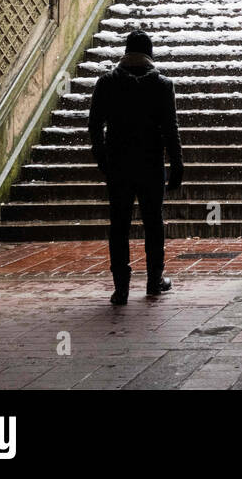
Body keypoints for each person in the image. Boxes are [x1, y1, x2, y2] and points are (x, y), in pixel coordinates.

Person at [88, 29, 183, 305]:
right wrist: (176, 162)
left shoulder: (106, 83)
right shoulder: (162, 85)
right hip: (151, 164)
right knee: (153, 222)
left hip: (118, 165)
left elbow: (94, 125)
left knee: (119, 225)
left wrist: (102, 157)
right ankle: (154, 281)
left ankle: (121, 287)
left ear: (125, 52)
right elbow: (170, 129)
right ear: (150, 54)